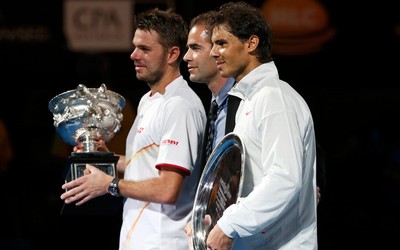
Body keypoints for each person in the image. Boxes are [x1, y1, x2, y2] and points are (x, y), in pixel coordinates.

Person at [60, 7, 206, 250]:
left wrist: (109, 184)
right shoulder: (149, 100)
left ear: (172, 54)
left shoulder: (180, 106)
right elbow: (147, 163)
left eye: (145, 49)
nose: (133, 55)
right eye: (135, 46)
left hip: (164, 243)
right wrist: (105, 157)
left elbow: (168, 189)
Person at [204, 2, 318, 249]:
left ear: (251, 43)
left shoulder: (274, 97)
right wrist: (215, 218)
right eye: (213, 44)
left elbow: (284, 178)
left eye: (222, 43)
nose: (213, 52)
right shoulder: (251, 100)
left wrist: (229, 224)